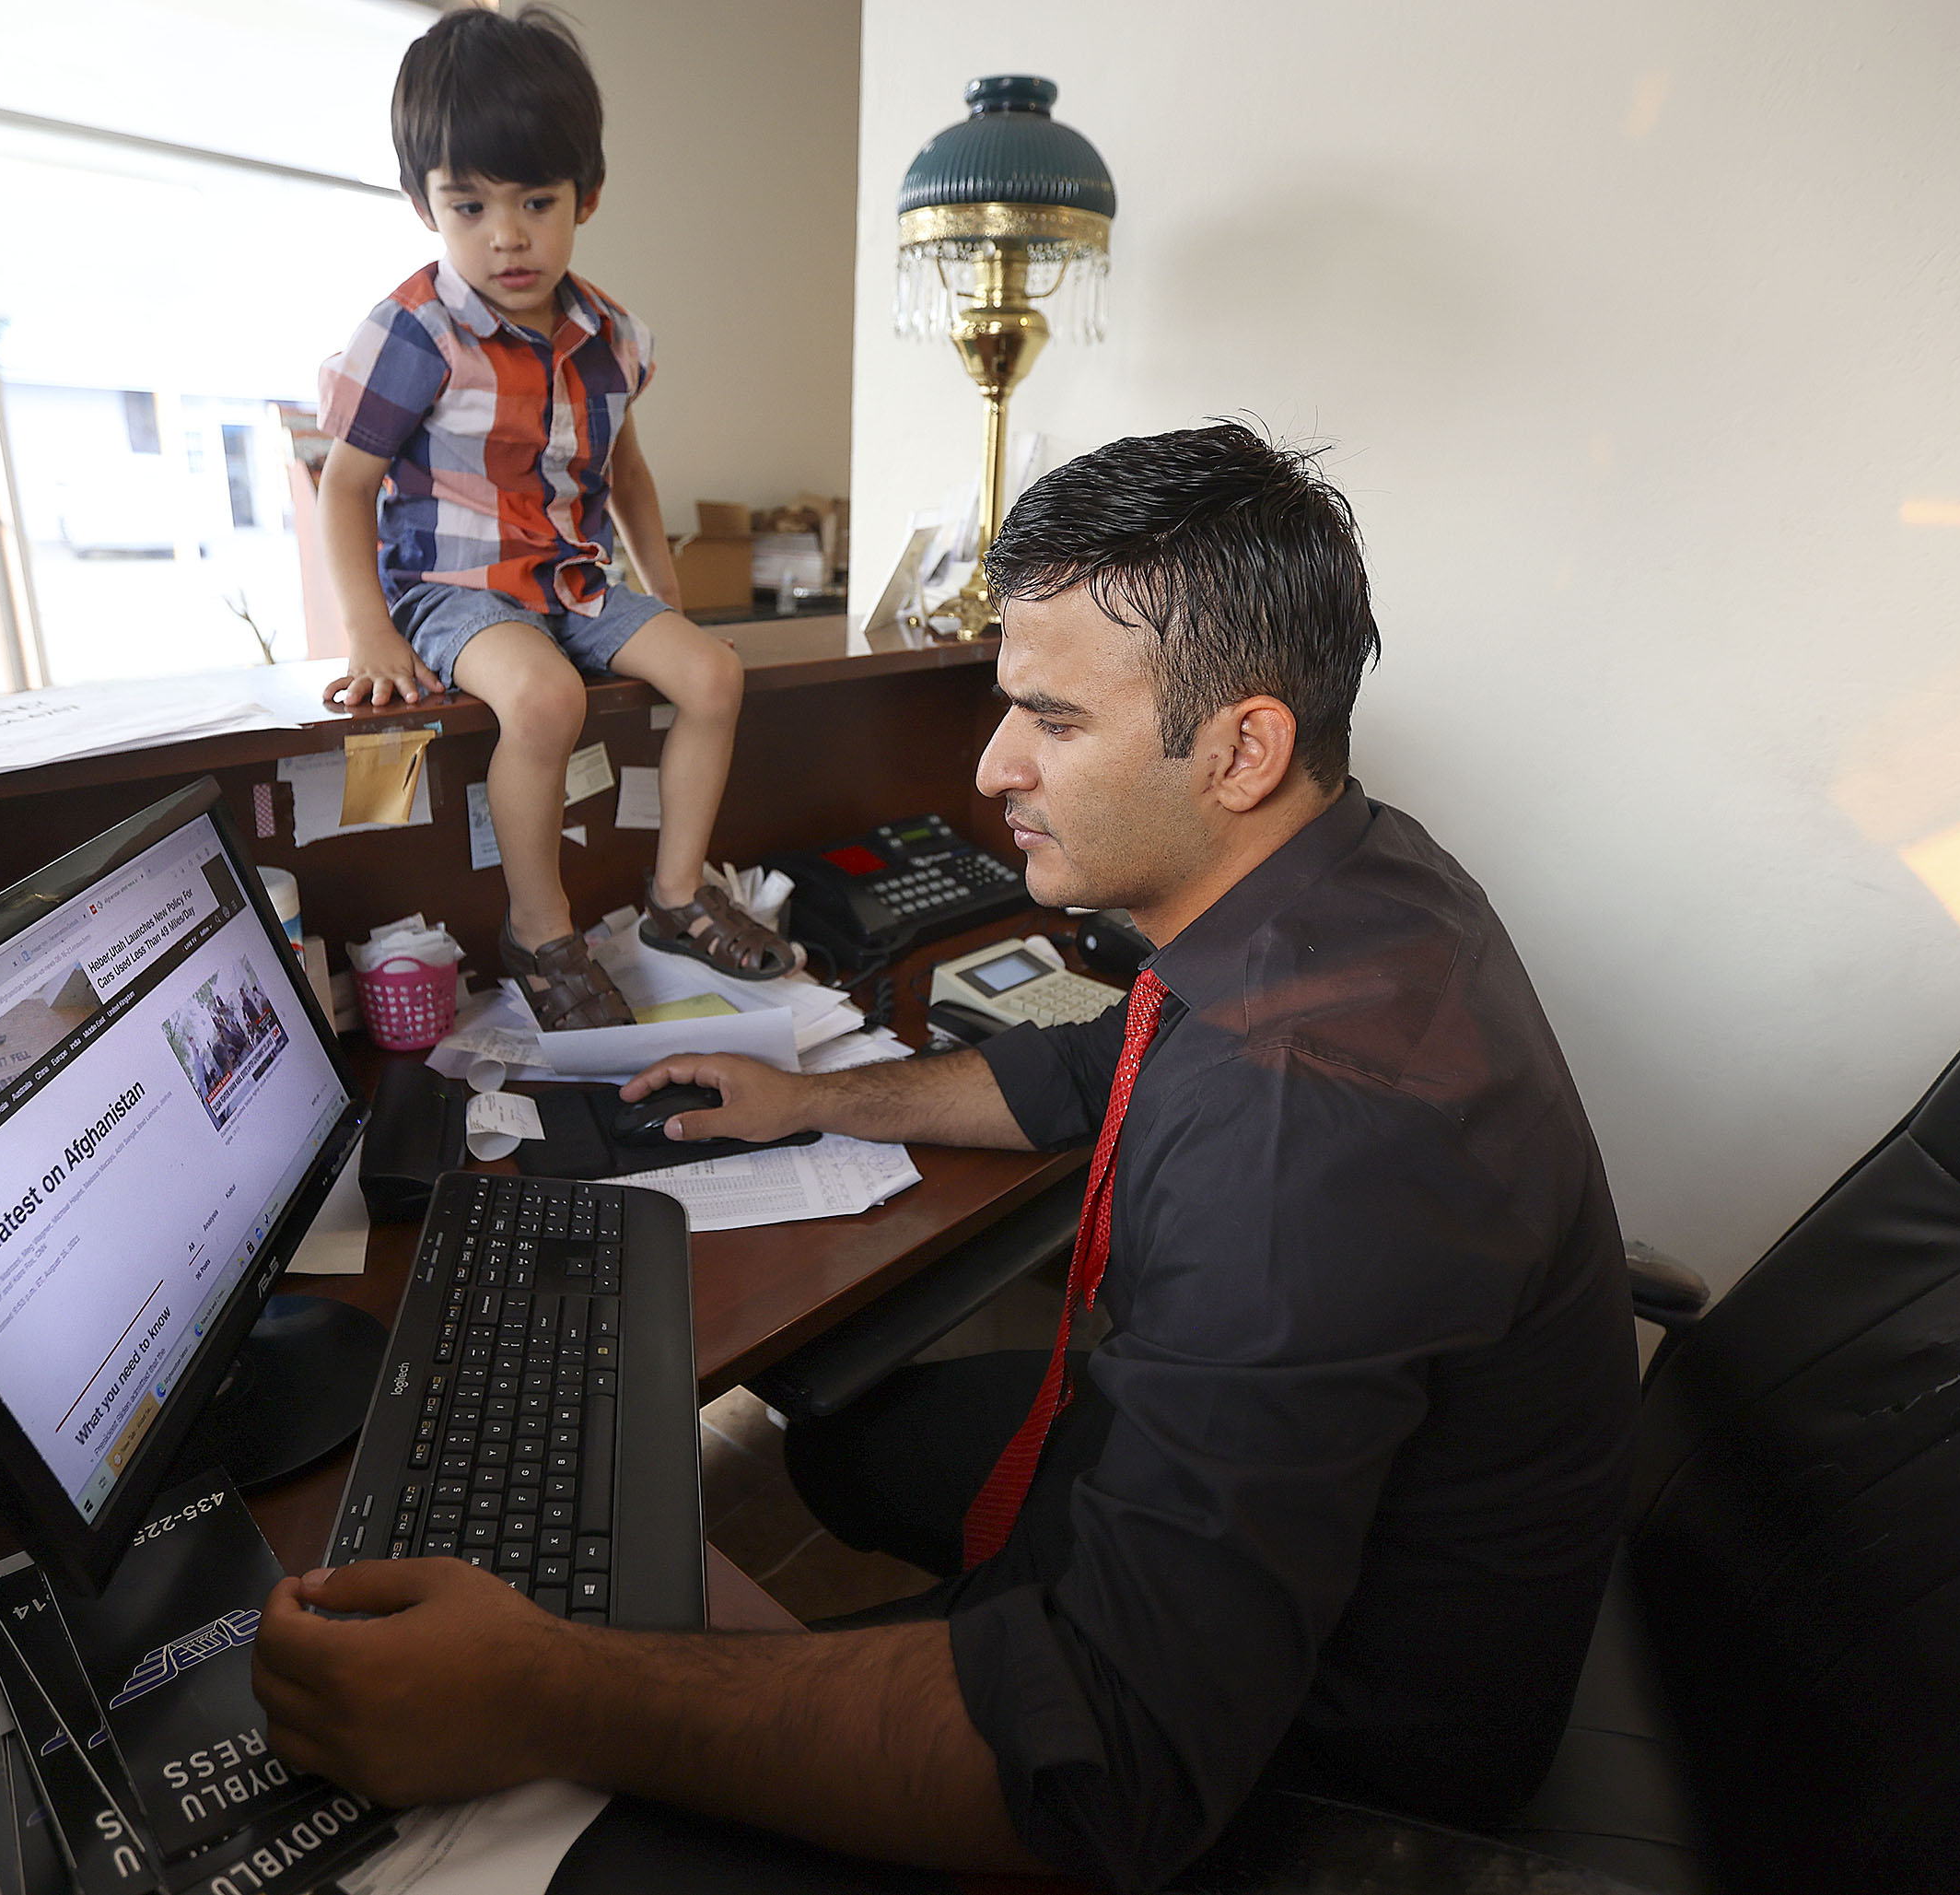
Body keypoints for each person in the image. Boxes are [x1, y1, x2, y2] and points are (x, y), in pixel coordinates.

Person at [252, 424, 1641, 1891]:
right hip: (1307, 1542)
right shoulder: (1353, 879)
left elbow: (1109, 1769)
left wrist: (548, 1687)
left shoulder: (1308, 1143)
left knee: (573, 1794)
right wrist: (816, 1101)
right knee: (844, 1437)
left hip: (1340, 1752)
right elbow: (1096, 1062)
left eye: (1052, 719)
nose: (992, 769)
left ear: (1243, 748)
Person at [313, 5, 789, 1031]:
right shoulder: (413, 331)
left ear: (590, 195)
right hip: (455, 593)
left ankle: (673, 897)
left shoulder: (611, 335)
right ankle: (541, 928)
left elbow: (625, 470)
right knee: (541, 704)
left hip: (573, 580)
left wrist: (661, 591)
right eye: (469, 204)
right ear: (421, 203)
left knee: (714, 672)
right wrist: (371, 631)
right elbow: (343, 484)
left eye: (537, 200)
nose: (508, 235)